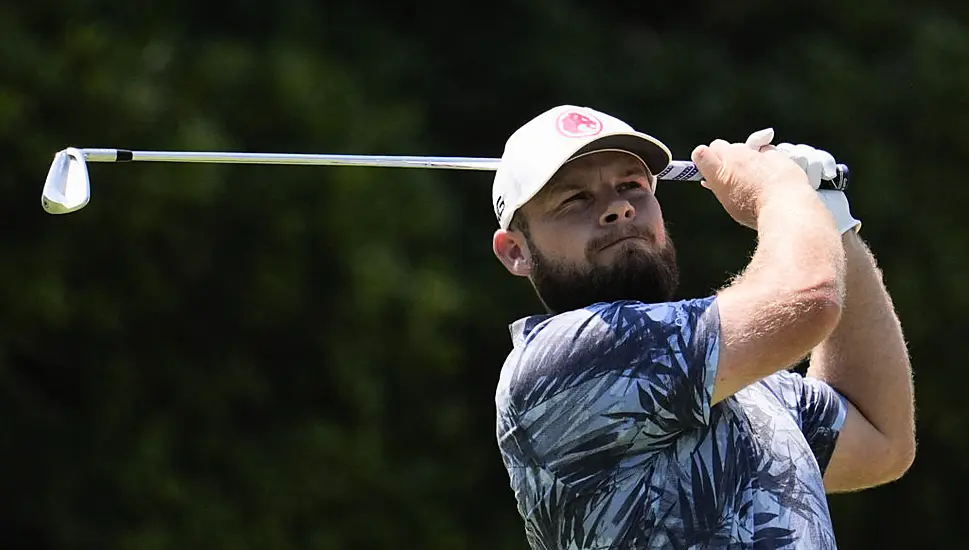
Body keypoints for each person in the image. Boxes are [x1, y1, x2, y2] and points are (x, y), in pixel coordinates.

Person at [490, 105, 916, 549]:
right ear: (515, 251)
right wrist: (781, 192)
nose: (617, 207)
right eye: (574, 199)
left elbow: (881, 439)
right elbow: (808, 299)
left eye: (631, 186)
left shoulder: (744, 383)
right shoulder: (555, 367)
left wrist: (832, 219)